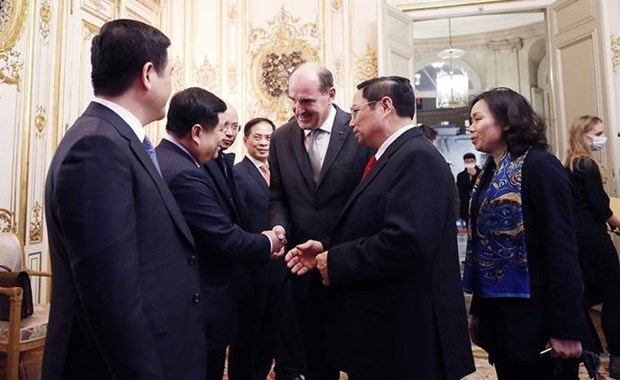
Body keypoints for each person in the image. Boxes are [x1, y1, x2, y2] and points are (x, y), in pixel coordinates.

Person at [43, 19, 206, 379]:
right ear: (149, 74)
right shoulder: (97, 146)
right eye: (171, 72)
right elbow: (110, 296)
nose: (172, 82)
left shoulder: (113, 138)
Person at [286, 76, 475, 380]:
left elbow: (406, 243)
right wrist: (326, 248)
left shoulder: (415, 158)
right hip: (390, 333)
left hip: (409, 336)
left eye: (356, 111)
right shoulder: (394, 155)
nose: (350, 122)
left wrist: (336, 260)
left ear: (385, 106)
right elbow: (374, 225)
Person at [155, 89, 286, 380]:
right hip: (196, 302)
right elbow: (223, 237)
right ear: (198, 132)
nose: (224, 139)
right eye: (220, 130)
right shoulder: (186, 173)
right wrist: (269, 241)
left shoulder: (165, 159)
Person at [462, 87, 592, 379]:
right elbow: (483, 249)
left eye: (478, 119)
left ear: (506, 122)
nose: (470, 127)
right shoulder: (487, 174)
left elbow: (562, 250)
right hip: (502, 317)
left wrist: (566, 327)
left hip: (539, 315)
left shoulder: (540, 166)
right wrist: (478, 311)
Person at [269, 62, 374, 380]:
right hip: (303, 270)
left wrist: (333, 247)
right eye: (293, 100)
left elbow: (369, 201)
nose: (297, 109)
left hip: (352, 264)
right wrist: (279, 228)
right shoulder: (282, 137)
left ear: (330, 95)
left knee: (362, 359)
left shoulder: (359, 130)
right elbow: (278, 197)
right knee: (314, 360)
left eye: (306, 101)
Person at [564, 115, 620, 378]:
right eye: (598, 133)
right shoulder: (587, 164)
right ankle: (618, 355)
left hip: (576, 238)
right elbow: (599, 206)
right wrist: (617, 222)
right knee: (614, 294)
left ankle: (590, 351)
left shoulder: (567, 165)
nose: (602, 138)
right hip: (595, 238)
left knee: (583, 297)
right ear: (584, 135)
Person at [456, 152, 481, 224]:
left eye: (471, 161)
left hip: (478, 206)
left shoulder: (481, 173)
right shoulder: (461, 176)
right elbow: (460, 192)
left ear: (475, 161)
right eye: (467, 162)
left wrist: (475, 175)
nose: (469, 163)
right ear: (464, 162)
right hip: (465, 207)